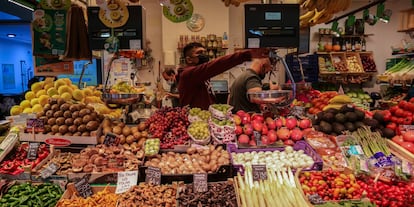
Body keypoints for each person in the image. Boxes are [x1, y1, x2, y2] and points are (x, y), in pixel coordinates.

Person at [178, 42, 270, 110]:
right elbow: (216, 65)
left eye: (204, 52)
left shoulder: (200, 75)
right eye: (199, 53)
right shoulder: (188, 75)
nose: (204, 55)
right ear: (189, 60)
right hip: (194, 123)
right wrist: (246, 54)